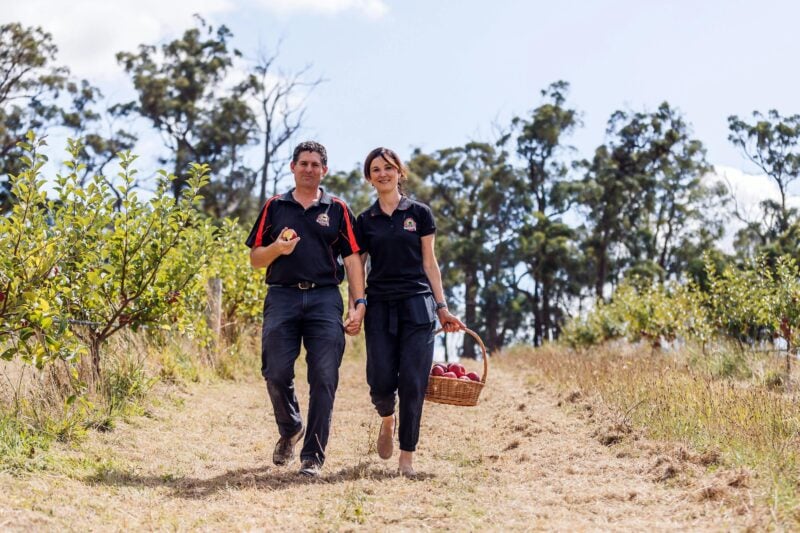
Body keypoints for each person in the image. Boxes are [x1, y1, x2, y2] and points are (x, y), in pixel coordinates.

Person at [246, 141, 366, 477]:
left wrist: (360, 304)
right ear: (292, 167)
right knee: (276, 371)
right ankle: (290, 427)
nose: (309, 169)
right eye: (303, 163)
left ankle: (312, 455)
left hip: (325, 298)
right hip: (282, 297)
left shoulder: (339, 209)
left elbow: (354, 260)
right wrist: (277, 249)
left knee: (325, 377)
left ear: (324, 170)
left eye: (316, 164)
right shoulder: (274, 206)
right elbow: (256, 259)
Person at [348, 147, 465, 477]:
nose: (382, 173)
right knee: (380, 380)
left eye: (388, 167)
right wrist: (356, 306)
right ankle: (387, 416)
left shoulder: (420, 213)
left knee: (413, 383)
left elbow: (430, 263)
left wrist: (442, 308)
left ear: (400, 172)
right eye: (375, 169)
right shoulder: (365, 221)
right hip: (381, 306)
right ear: (369, 178)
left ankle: (406, 459)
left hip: (418, 306)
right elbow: (357, 267)